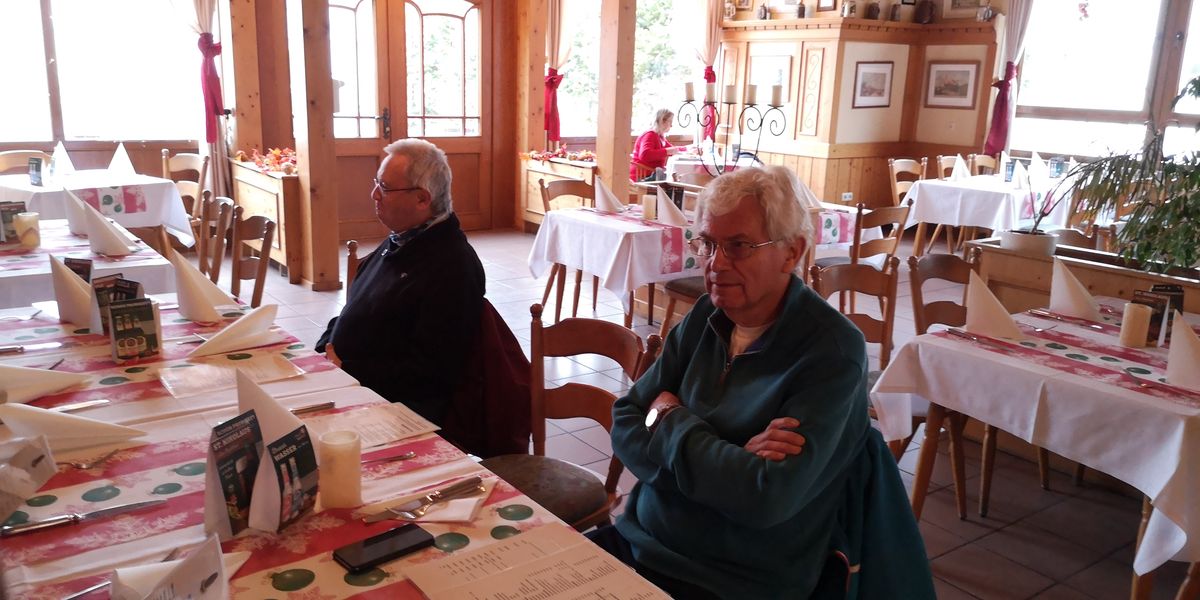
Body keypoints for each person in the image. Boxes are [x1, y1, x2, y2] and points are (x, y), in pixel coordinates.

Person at [594, 166, 934, 599]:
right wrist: (732, 458)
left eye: (738, 246)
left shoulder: (831, 351)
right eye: (708, 244)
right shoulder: (705, 317)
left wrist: (671, 422)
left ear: (791, 253)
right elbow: (625, 421)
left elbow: (765, 499)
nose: (716, 264)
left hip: (734, 578)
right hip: (644, 540)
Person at [316, 138, 485, 427]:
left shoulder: (453, 265)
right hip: (351, 384)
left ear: (422, 199)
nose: (374, 194)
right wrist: (323, 349)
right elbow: (353, 311)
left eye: (384, 187)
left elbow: (433, 371)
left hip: (398, 408)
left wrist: (349, 369)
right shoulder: (402, 240)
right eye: (376, 183)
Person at [631, 108, 680, 181]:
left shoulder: (659, 137)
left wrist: (688, 149)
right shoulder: (650, 135)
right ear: (662, 121)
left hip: (652, 174)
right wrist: (666, 151)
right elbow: (645, 154)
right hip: (642, 176)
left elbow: (673, 149)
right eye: (670, 122)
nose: (671, 125)